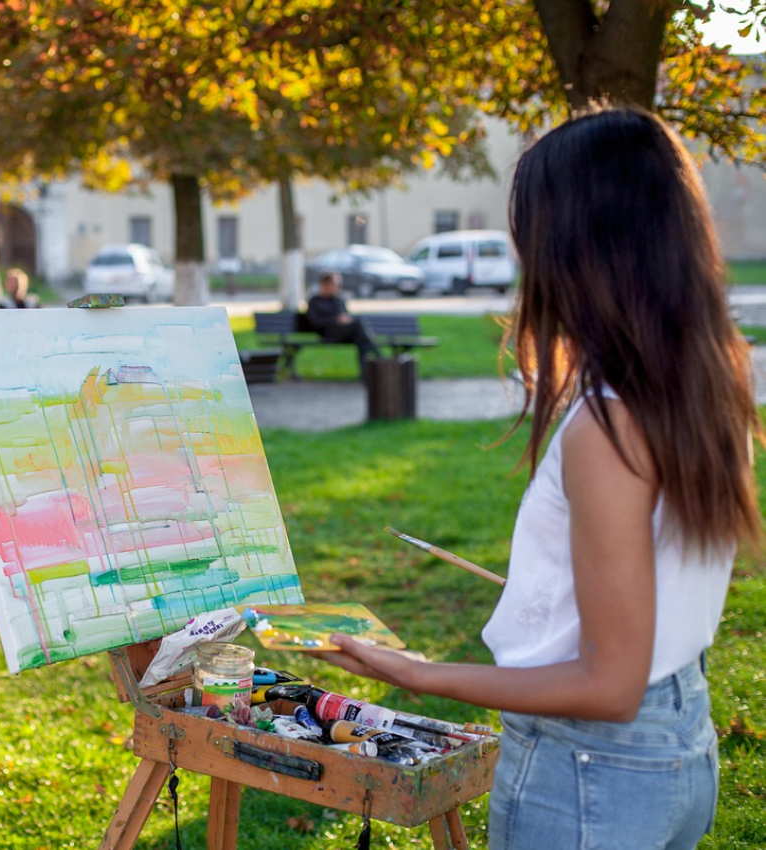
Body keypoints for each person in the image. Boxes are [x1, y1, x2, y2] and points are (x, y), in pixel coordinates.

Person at [314, 106, 762, 849]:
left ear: (579, 247)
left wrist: (416, 673)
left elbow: (608, 688)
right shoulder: (714, 372)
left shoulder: (608, 425)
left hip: (590, 771)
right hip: (677, 743)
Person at [302, 272, 382, 366]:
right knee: (358, 327)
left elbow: (346, 316)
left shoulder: (338, 300)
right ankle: (379, 357)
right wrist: (335, 320)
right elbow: (315, 323)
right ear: (325, 284)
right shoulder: (315, 301)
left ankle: (368, 368)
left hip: (344, 334)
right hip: (327, 334)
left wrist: (345, 320)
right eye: (336, 284)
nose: (338, 287)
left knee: (361, 339)